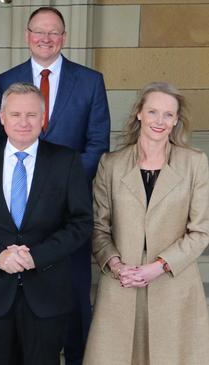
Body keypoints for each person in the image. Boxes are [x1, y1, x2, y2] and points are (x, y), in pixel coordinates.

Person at [0, 7, 110, 363]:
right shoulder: (5, 79)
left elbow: (98, 142)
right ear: (27, 35)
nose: (45, 38)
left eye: (53, 32)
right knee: (22, 298)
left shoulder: (89, 81)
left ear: (64, 37)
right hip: (17, 210)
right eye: (39, 31)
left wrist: (58, 184)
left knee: (72, 295)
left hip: (69, 210)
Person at [0, 83, 92, 365]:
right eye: (16, 114)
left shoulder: (66, 162)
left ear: (44, 119)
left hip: (47, 293)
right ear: (2, 117)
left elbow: (81, 223)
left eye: (32, 115)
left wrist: (35, 257)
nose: (24, 122)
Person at [84, 82, 209, 365]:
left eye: (168, 114)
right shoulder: (111, 164)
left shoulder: (194, 163)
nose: (160, 121)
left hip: (173, 284)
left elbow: (201, 231)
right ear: (139, 113)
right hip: (122, 283)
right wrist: (116, 265)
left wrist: (158, 266)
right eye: (153, 112)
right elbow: (98, 227)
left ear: (177, 120)